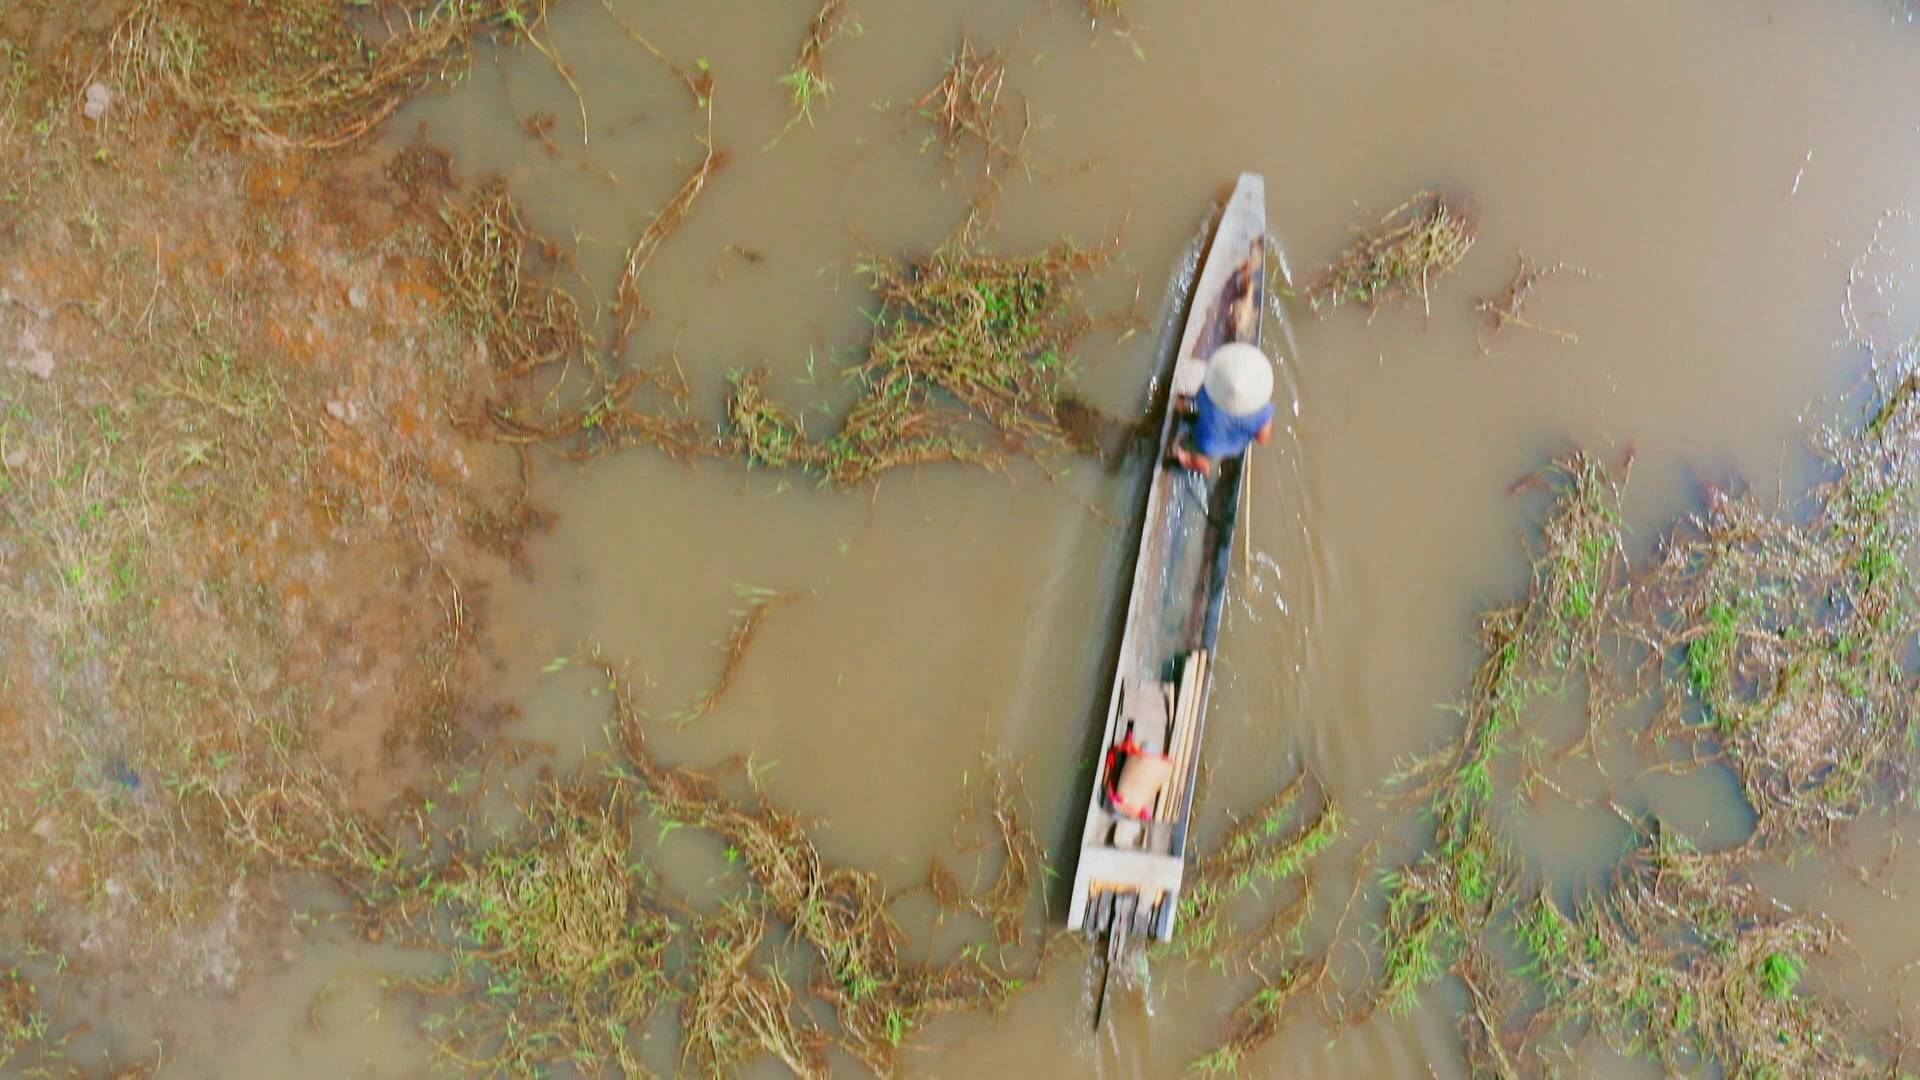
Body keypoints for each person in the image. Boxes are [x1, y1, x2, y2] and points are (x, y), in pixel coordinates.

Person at [1172, 341, 1274, 475]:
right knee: (1207, 456)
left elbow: (1198, 402)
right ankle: (1202, 466)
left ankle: (1188, 460)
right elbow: (1263, 440)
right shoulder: (1263, 412)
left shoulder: (1205, 393)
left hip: (1205, 439)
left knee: (1199, 448)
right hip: (1231, 447)